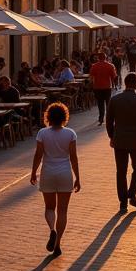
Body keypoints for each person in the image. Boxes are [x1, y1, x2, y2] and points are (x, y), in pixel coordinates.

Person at [30, 101, 80, 255]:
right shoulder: (70, 133)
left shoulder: (42, 133)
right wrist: (78, 177)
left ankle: (52, 229)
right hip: (65, 172)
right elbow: (73, 158)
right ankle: (58, 242)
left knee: (50, 208)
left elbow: (38, 155)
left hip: (48, 172)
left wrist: (33, 172)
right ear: (65, 116)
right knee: (63, 211)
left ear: (48, 116)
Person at [106, 72, 136, 213]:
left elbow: (109, 122)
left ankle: (123, 202)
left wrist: (112, 137)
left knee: (121, 171)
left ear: (125, 83)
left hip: (120, 139)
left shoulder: (115, 100)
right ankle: (132, 193)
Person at [90, 51, 117, 125]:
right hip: (107, 87)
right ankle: (109, 117)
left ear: (98, 58)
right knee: (108, 103)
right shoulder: (110, 66)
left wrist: (92, 85)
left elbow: (91, 77)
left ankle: (101, 117)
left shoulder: (94, 66)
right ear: (106, 58)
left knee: (100, 103)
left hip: (97, 87)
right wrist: (114, 85)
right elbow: (114, 76)